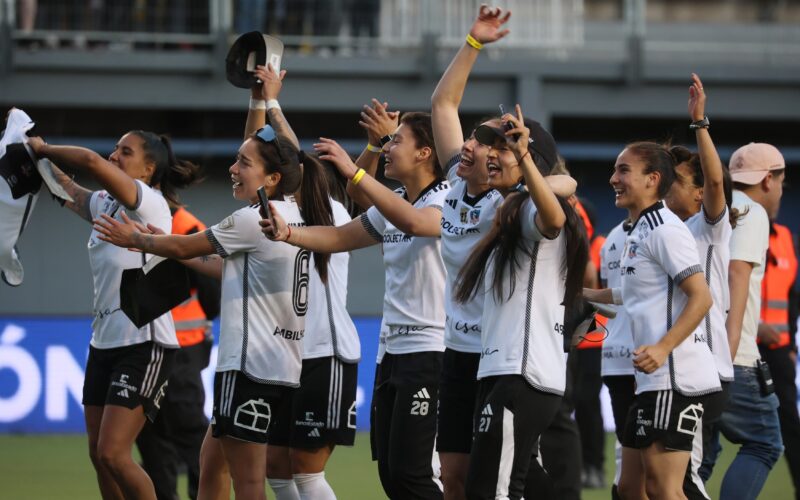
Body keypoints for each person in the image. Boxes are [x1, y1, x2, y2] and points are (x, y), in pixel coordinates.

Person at [93, 111, 335, 500]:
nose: (233, 167)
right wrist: (164, 240)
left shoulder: (253, 218)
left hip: (247, 367)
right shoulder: (296, 216)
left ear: (272, 179)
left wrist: (137, 240)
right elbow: (225, 267)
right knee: (211, 464)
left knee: (249, 481)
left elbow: (187, 244)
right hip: (281, 365)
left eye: (244, 162)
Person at [261, 111, 450, 499]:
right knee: (393, 476)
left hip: (432, 353)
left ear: (425, 153)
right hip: (391, 353)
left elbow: (416, 223)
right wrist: (288, 233)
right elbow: (337, 237)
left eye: (397, 141)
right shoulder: (394, 205)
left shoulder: (448, 199)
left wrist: (355, 170)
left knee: (417, 476)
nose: (388, 147)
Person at [28, 130, 202, 500]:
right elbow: (66, 191)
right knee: (99, 456)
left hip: (144, 342)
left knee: (114, 453)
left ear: (149, 168)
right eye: (115, 149)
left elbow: (90, 161)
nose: (113, 156)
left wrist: (44, 148)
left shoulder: (150, 203)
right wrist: (31, 152)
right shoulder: (106, 204)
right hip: (104, 342)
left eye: (126, 152)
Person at [453, 105, 588, 500]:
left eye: (506, 147)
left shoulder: (531, 208)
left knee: (491, 491)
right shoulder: (508, 206)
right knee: (529, 486)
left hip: (520, 373)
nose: (492, 154)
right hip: (504, 370)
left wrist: (527, 160)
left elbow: (553, 218)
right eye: (490, 145)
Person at [250, 62, 362, 500]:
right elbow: (288, 155)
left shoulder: (332, 215)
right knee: (277, 468)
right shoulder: (289, 215)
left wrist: (272, 102)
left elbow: (291, 155)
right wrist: (267, 101)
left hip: (325, 355)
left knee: (306, 472)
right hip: (288, 358)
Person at [586, 140, 719, 500]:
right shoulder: (637, 230)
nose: (613, 178)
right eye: (615, 169)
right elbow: (628, 296)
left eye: (623, 170)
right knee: (630, 489)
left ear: (652, 179)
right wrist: (575, 294)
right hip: (648, 382)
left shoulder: (665, 228)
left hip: (674, 379)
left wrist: (662, 347)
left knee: (664, 489)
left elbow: (701, 296)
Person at [701, 142, 786, 499]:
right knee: (765, 443)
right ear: (769, 180)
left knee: (701, 459)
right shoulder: (752, 211)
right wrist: (730, 349)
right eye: (782, 181)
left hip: (697, 349)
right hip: (733, 357)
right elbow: (737, 272)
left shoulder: (712, 210)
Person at [662, 74, 734, 499]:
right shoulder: (658, 232)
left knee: (681, 481)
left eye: (676, 181)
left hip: (704, 371)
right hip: (672, 369)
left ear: (697, 195)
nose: (666, 184)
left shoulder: (707, 228)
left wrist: (700, 122)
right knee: (657, 480)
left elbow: (717, 181)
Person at [135, 205, 221, 500]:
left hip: (181, 347)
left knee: (183, 430)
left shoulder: (186, 227)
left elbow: (212, 295)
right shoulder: (183, 224)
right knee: (154, 435)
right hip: (151, 344)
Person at [759, 220, 800, 498]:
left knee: (790, 421)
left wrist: (791, 342)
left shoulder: (784, 236)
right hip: (740, 345)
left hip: (779, 349)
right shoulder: (731, 228)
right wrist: (753, 325)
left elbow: (790, 295)